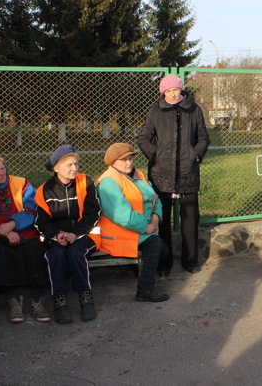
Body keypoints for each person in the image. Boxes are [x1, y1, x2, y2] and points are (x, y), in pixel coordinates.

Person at [138, 74, 210, 275]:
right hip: (161, 173)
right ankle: (164, 263)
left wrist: (195, 155)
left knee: (190, 219)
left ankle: (190, 261)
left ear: (181, 90)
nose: (172, 94)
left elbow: (203, 137)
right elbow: (144, 138)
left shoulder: (194, 110)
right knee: (162, 219)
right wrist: (156, 156)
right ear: (163, 92)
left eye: (175, 90)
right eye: (168, 91)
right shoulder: (155, 110)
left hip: (188, 172)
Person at [0, 156, 50, 323]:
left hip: (24, 230)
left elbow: (32, 209)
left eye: (3, 168)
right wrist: (5, 232)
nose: (1, 173)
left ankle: (37, 300)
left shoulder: (22, 184)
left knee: (35, 249)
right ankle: (13, 301)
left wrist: (13, 224)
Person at [34, 145, 101, 324]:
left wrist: (74, 234)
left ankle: (85, 297)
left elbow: (93, 214)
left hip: (84, 234)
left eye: (76, 164)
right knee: (55, 254)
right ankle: (60, 301)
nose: (74, 168)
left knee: (75, 252)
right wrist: (57, 235)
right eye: (69, 165)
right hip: (57, 237)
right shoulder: (44, 190)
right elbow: (41, 222)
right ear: (56, 168)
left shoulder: (86, 182)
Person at [97, 143, 169, 302]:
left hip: (138, 228)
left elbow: (155, 198)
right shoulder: (108, 181)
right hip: (119, 232)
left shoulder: (138, 174)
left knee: (162, 250)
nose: (129, 162)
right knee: (155, 245)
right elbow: (121, 214)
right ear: (113, 162)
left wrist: (156, 217)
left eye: (130, 158)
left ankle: (142, 274)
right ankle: (145, 290)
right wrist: (146, 227)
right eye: (124, 160)